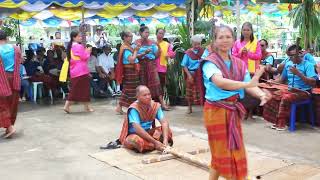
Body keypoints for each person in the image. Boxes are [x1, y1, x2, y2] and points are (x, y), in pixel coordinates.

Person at [202, 25, 271, 180]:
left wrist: (261, 95)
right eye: (221, 37)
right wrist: (248, 84)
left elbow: (250, 84)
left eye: (228, 37)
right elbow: (220, 82)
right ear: (215, 41)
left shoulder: (240, 64)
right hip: (215, 111)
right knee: (224, 153)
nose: (225, 40)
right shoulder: (209, 62)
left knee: (227, 152)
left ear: (233, 40)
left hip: (233, 111)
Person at [263, 44, 317, 131]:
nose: (291, 58)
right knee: (272, 96)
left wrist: (298, 73)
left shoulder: (308, 65)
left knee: (285, 98)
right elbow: (281, 80)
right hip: (290, 90)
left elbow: (313, 82)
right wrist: (272, 82)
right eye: (289, 56)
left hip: (304, 92)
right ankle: (276, 121)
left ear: (300, 53)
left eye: (293, 55)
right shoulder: (288, 64)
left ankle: (282, 124)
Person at [119, 85, 173, 153]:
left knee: (168, 131)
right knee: (136, 140)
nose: (148, 97)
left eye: (149, 94)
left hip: (147, 132)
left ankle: (157, 145)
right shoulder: (134, 108)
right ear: (137, 97)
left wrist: (165, 140)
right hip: (135, 134)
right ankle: (156, 145)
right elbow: (138, 129)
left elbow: (164, 122)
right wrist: (155, 142)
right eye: (144, 95)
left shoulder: (155, 105)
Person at [135, 26, 168, 110]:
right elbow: (135, 56)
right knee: (143, 85)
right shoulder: (136, 43)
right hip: (141, 65)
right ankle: (144, 105)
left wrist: (158, 50)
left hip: (151, 64)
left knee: (156, 83)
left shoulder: (152, 43)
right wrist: (144, 53)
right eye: (145, 32)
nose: (147, 34)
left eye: (148, 32)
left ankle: (162, 104)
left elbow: (156, 55)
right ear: (140, 33)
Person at [63, 31, 93, 113]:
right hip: (81, 71)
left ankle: (86, 107)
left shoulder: (71, 46)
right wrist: (88, 51)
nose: (81, 38)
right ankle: (67, 105)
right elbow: (84, 57)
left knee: (80, 89)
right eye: (79, 36)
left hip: (75, 70)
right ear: (74, 38)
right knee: (81, 90)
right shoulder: (78, 46)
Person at [0, 30, 22, 138]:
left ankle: (9, 127)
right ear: (7, 38)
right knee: (12, 103)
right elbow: (20, 61)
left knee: (3, 104)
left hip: (2, 78)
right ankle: (10, 126)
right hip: (15, 78)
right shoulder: (16, 49)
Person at [115, 31, 141, 114]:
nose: (131, 38)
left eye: (131, 36)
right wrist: (136, 51)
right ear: (125, 38)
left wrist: (137, 50)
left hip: (132, 71)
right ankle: (134, 108)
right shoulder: (125, 48)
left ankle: (119, 107)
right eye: (130, 36)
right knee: (131, 90)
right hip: (130, 71)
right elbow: (132, 60)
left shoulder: (128, 47)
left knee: (127, 89)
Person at [181, 34, 204, 114]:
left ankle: (203, 107)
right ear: (192, 43)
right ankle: (189, 107)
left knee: (202, 90)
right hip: (191, 73)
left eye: (199, 44)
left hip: (200, 74)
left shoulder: (202, 51)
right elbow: (184, 65)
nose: (197, 46)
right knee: (189, 91)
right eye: (195, 44)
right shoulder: (188, 53)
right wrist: (189, 75)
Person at [155, 28, 176, 96]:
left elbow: (173, 54)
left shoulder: (167, 44)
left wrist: (169, 54)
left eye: (162, 34)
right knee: (153, 86)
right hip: (152, 67)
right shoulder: (152, 43)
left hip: (162, 68)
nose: (161, 35)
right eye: (159, 33)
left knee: (161, 85)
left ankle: (160, 103)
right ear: (156, 34)